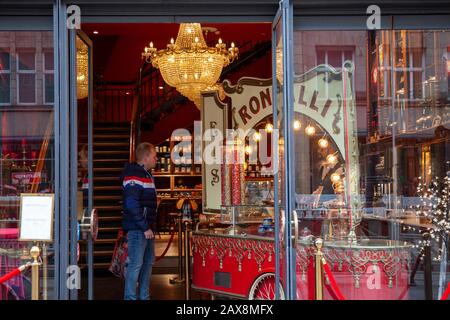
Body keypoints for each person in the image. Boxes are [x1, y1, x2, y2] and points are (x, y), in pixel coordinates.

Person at [121, 142, 158, 300]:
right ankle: (130, 297)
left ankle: (144, 296)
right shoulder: (134, 175)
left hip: (146, 228)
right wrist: (144, 227)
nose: (156, 159)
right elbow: (131, 203)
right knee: (136, 265)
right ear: (146, 157)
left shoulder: (146, 174)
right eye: (154, 156)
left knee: (147, 263)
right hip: (139, 229)